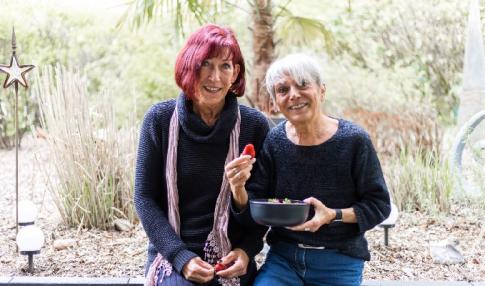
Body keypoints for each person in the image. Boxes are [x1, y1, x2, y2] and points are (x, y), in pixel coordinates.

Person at [225, 53, 391, 286]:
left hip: (339, 261)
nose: (293, 95)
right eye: (283, 90)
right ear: (275, 102)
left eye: (303, 84)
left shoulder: (354, 140)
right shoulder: (275, 141)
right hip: (284, 259)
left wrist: (333, 215)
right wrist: (238, 188)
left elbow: (379, 205)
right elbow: (255, 204)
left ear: (322, 91)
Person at [135, 24, 269, 286]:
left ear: (236, 73)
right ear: (189, 67)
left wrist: (245, 252)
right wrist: (180, 257)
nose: (215, 77)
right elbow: (144, 198)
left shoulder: (254, 126)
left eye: (225, 66)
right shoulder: (159, 120)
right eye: (205, 64)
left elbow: (262, 205)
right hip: (172, 254)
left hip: (231, 257)